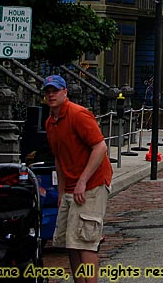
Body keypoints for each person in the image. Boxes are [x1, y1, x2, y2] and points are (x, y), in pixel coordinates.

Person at [43, 74, 112, 283]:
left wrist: (82, 180)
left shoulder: (79, 114)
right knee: (69, 241)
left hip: (92, 183)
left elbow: (100, 147)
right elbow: (59, 157)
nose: (51, 94)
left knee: (85, 241)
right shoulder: (50, 122)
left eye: (55, 90)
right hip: (70, 186)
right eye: (48, 91)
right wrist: (62, 190)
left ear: (65, 92)